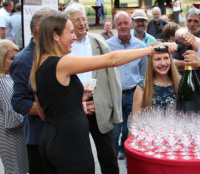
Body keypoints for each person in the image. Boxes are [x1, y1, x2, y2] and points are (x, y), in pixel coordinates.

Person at [29, 13, 177, 173]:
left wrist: (75, 102)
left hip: (53, 140)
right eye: (70, 32)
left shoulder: (40, 64)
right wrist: (152, 49)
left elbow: (45, 111)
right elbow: (112, 59)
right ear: (55, 36)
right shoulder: (60, 63)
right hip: (68, 144)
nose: (74, 37)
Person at [63, 3, 121, 174]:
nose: (82, 23)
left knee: (108, 156)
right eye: (76, 20)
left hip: (98, 105)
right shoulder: (64, 46)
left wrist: (109, 104)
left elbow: (112, 75)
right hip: (74, 106)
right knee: (80, 157)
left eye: (83, 19)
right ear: (68, 23)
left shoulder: (98, 41)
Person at [10, 8, 56, 174]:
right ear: (39, 28)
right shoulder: (23, 60)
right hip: (39, 138)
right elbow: (19, 102)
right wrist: (54, 110)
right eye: (54, 26)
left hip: (59, 136)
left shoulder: (54, 53)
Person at [107, 11, 148, 160]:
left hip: (133, 94)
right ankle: (113, 156)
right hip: (115, 94)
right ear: (115, 25)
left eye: (126, 23)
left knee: (130, 128)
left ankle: (126, 153)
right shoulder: (107, 46)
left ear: (130, 23)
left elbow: (144, 74)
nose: (123, 26)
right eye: (120, 23)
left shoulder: (140, 46)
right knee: (115, 130)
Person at [0, 40, 28, 174]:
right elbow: (13, 115)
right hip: (11, 136)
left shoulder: (11, 77)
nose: (16, 62)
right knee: (15, 169)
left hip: (16, 133)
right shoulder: (3, 81)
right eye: (11, 59)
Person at [132, 42, 180, 112]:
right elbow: (135, 120)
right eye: (158, 59)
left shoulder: (180, 83)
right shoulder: (142, 87)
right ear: (150, 62)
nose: (163, 63)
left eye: (166, 58)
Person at [173, 8, 200, 73]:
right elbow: (175, 64)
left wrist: (184, 64)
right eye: (189, 21)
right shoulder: (179, 39)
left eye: (196, 21)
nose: (192, 24)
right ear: (186, 23)